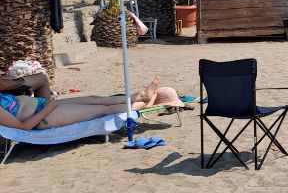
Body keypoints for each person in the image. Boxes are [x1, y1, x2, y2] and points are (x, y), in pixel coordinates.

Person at [0, 76, 172, 131]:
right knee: (102, 110)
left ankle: (142, 94)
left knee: (96, 99)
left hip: (44, 106)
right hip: (44, 117)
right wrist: (47, 108)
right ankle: (144, 104)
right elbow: (21, 127)